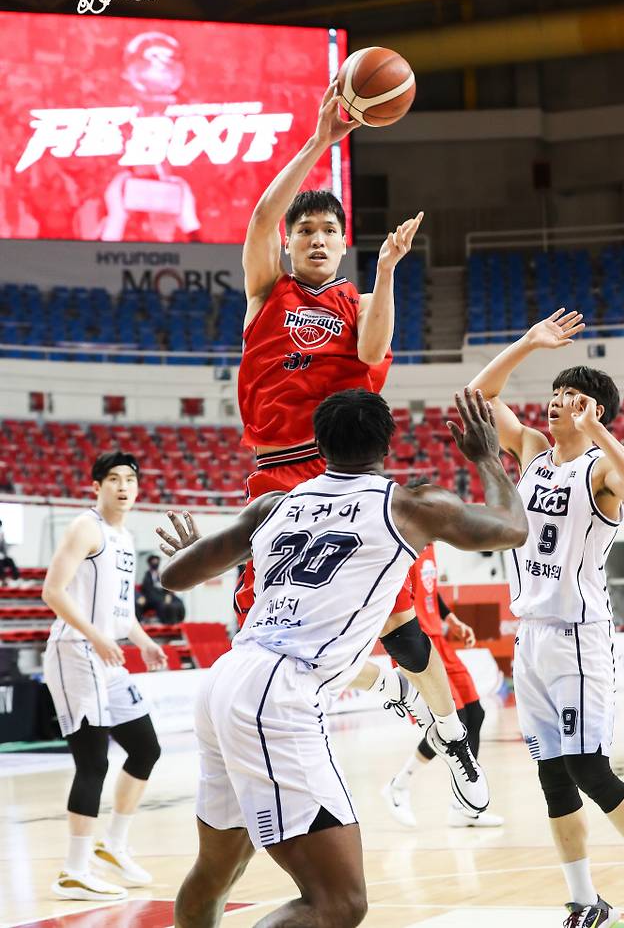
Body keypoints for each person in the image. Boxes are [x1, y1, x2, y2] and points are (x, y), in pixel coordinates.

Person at [155, 386, 527, 928]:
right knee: (338, 902)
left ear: (318, 444)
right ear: (387, 444)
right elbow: (512, 528)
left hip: (224, 682)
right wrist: (488, 457)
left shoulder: (273, 505)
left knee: (215, 871)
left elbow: (174, 576)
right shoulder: (409, 505)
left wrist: (190, 549)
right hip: (278, 695)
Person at [235, 81, 483, 793]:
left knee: (406, 623)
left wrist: (386, 270)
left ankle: (453, 736)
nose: (315, 239)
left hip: (345, 473)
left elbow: (373, 349)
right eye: (305, 231)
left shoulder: (361, 299)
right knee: (264, 629)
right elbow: (259, 217)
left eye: (328, 233)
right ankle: (373, 693)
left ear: (343, 246)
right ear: (293, 243)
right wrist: (320, 140)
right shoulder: (266, 293)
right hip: (277, 478)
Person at [469, 308, 624, 928]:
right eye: (554, 394)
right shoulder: (530, 452)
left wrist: (599, 432)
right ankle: (585, 899)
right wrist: (527, 342)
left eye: (572, 397)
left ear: (596, 411)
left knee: (590, 770)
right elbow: (478, 396)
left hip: (581, 637)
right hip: (533, 638)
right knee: (553, 778)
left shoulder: (599, 468)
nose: (556, 404)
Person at [42, 451, 167, 903]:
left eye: (130, 479)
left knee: (146, 748)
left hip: (105, 653)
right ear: (96, 486)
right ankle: (73, 871)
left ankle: (112, 845)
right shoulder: (85, 527)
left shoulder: (126, 537)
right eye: (112, 479)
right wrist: (95, 636)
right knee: (93, 760)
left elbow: (122, 611)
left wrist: (146, 641)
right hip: (75, 650)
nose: (122, 486)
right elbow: (52, 591)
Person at [381, 508, 504, 829]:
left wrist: (451, 619)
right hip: (418, 645)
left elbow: (430, 593)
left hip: (440, 639)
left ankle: (463, 807)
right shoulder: (402, 544)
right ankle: (398, 785)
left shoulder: (431, 545)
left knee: (474, 715)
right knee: (452, 725)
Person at [137, 553, 185, 624]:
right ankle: (167, 623)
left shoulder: (161, 574)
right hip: (152, 598)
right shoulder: (147, 575)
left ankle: (178, 621)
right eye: (154, 561)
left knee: (178, 601)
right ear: (150, 563)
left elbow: (167, 587)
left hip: (163, 595)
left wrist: (168, 595)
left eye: (157, 561)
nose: (155, 563)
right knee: (163, 605)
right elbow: (147, 590)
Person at [0, 518, 19, 583]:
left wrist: (2, 539)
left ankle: (16, 577)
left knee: (10, 560)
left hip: (2, 558)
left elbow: (4, 551)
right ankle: (3, 579)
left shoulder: (1, 536)